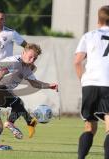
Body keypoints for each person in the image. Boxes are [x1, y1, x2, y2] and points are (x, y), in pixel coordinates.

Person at [0, 43, 58, 150]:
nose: (32, 60)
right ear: (23, 53)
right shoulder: (15, 62)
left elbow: (34, 83)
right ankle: (11, 122)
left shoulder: (26, 69)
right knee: (18, 102)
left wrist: (49, 86)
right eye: (30, 56)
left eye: (35, 58)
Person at [74, 5, 109, 159]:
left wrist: (83, 80)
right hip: (108, 83)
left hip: (89, 84)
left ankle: (81, 157)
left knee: (90, 127)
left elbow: (77, 62)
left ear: (98, 19)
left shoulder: (88, 36)